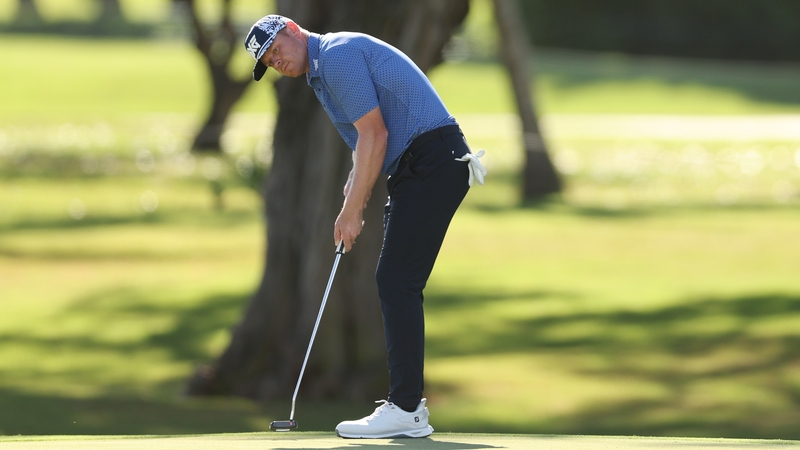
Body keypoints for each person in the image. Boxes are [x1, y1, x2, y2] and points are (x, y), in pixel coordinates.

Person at [244, 15, 486, 439]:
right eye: (268, 60)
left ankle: (407, 409)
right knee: (396, 280)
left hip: (431, 161)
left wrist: (352, 211)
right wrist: (352, 192)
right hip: (421, 166)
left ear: (294, 30)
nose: (276, 61)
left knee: (396, 280)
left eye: (277, 49)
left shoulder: (335, 57)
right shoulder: (320, 71)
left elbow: (374, 135)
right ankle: (406, 407)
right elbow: (367, 146)